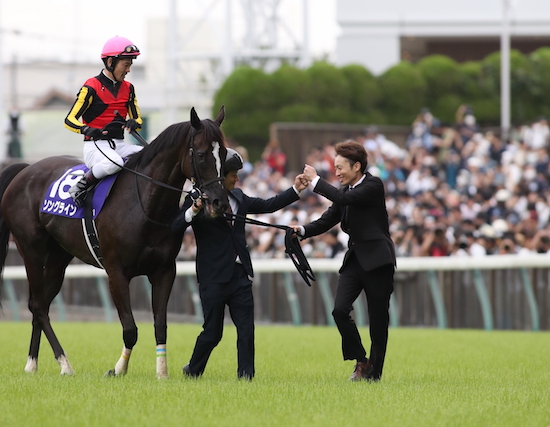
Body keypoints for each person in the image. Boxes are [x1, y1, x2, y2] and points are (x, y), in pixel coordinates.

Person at [173, 148, 308, 380]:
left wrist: (296, 189)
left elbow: (269, 205)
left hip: (239, 276)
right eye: (232, 174)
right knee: (213, 333)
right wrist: (193, 210)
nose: (237, 178)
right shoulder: (195, 199)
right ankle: (193, 370)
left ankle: (246, 376)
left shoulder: (240, 198)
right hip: (212, 277)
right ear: (219, 175)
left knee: (246, 330)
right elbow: (176, 227)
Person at [293, 140, 396, 382]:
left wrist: (316, 181)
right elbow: (328, 219)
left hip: (378, 261)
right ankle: (361, 360)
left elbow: (343, 199)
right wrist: (302, 231)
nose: (336, 172)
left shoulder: (373, 185)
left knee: (378, 323)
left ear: (357, 166)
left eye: (340, 167)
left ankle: (374, 374)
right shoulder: (346, 193)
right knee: (339, 310)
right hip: (355, 261)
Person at [64, 35, 143, 207]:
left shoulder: (129, 89)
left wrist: (134, 122)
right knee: (115, 162)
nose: (128, 70)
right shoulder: (91, 86)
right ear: (110, 63)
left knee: (151, 155)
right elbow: (69, 119)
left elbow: (137, 117)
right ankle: (79, 187)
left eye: (130, 65)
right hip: (95, 146)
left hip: (120, 145)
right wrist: (85, 129)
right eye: (126, 65)